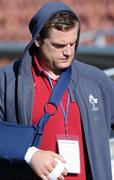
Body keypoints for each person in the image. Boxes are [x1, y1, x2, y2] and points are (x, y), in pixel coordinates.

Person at [0, 1, 114, 180]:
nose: (68, 52)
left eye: (72, 43)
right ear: (37, 40)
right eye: (59, 46)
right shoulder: (7, 81)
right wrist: (29, 154)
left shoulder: (97, 81)